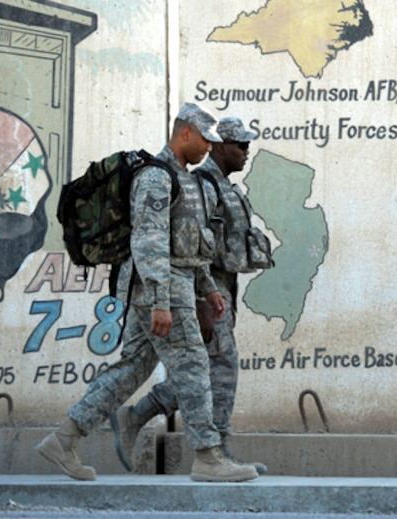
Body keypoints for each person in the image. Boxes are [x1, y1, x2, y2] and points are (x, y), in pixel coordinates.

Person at [35, 103, 258, 483]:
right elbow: (149, 243)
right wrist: (159, 301)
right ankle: (208, 457)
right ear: (185, 133)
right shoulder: (156, 178)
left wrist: (207, 288)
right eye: (205, 139)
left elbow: (186, 245)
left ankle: (63, 439)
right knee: (194, 366)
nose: (209, 147)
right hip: (161, 288)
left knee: (132, 369)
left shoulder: (183, 178)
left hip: (173, 284)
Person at [109, 117, 272, 474]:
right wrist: (200, 302)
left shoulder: (222, 185)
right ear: (221, 147)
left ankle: (138, 416)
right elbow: (192, 248)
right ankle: (215, 452)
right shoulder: (203, 185)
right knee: (218, 369)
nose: (246, 152)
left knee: (205, 370)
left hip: (218, 289)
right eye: (241, 145)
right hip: (200, 291)